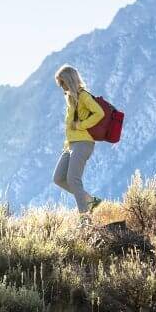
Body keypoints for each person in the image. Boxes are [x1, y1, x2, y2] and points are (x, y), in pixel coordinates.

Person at [52, 64, 104, 216]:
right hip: (71, 145)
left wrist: (81, 125)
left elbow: (99, 113)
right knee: (59, 178)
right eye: (60, 84)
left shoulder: (83, 96)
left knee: (73, 179)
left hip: (83, 143)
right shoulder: (71, 99)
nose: (62, 87)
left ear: (69, 80)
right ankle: (90, 200)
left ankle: (85, 219)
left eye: (63, 83)